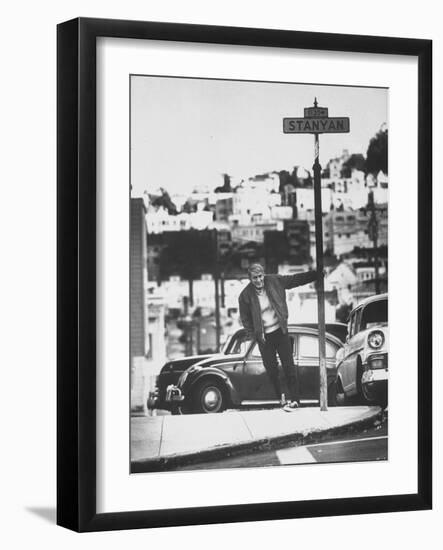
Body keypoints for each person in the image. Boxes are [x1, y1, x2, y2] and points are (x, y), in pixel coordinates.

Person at [238, 263, 318, 410]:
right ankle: (281, 399)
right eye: (255, 278)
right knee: (272, 370)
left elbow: (295, 280)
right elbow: (245, 319)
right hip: (264, 338)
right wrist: (254, 336)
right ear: (250, 278)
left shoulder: (275, 281)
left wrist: (316, 274)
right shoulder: (245, 296)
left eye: (260, 276)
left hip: (280, 332)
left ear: (264, 275)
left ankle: (295, 400)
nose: (259, 280)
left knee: (289, 366)